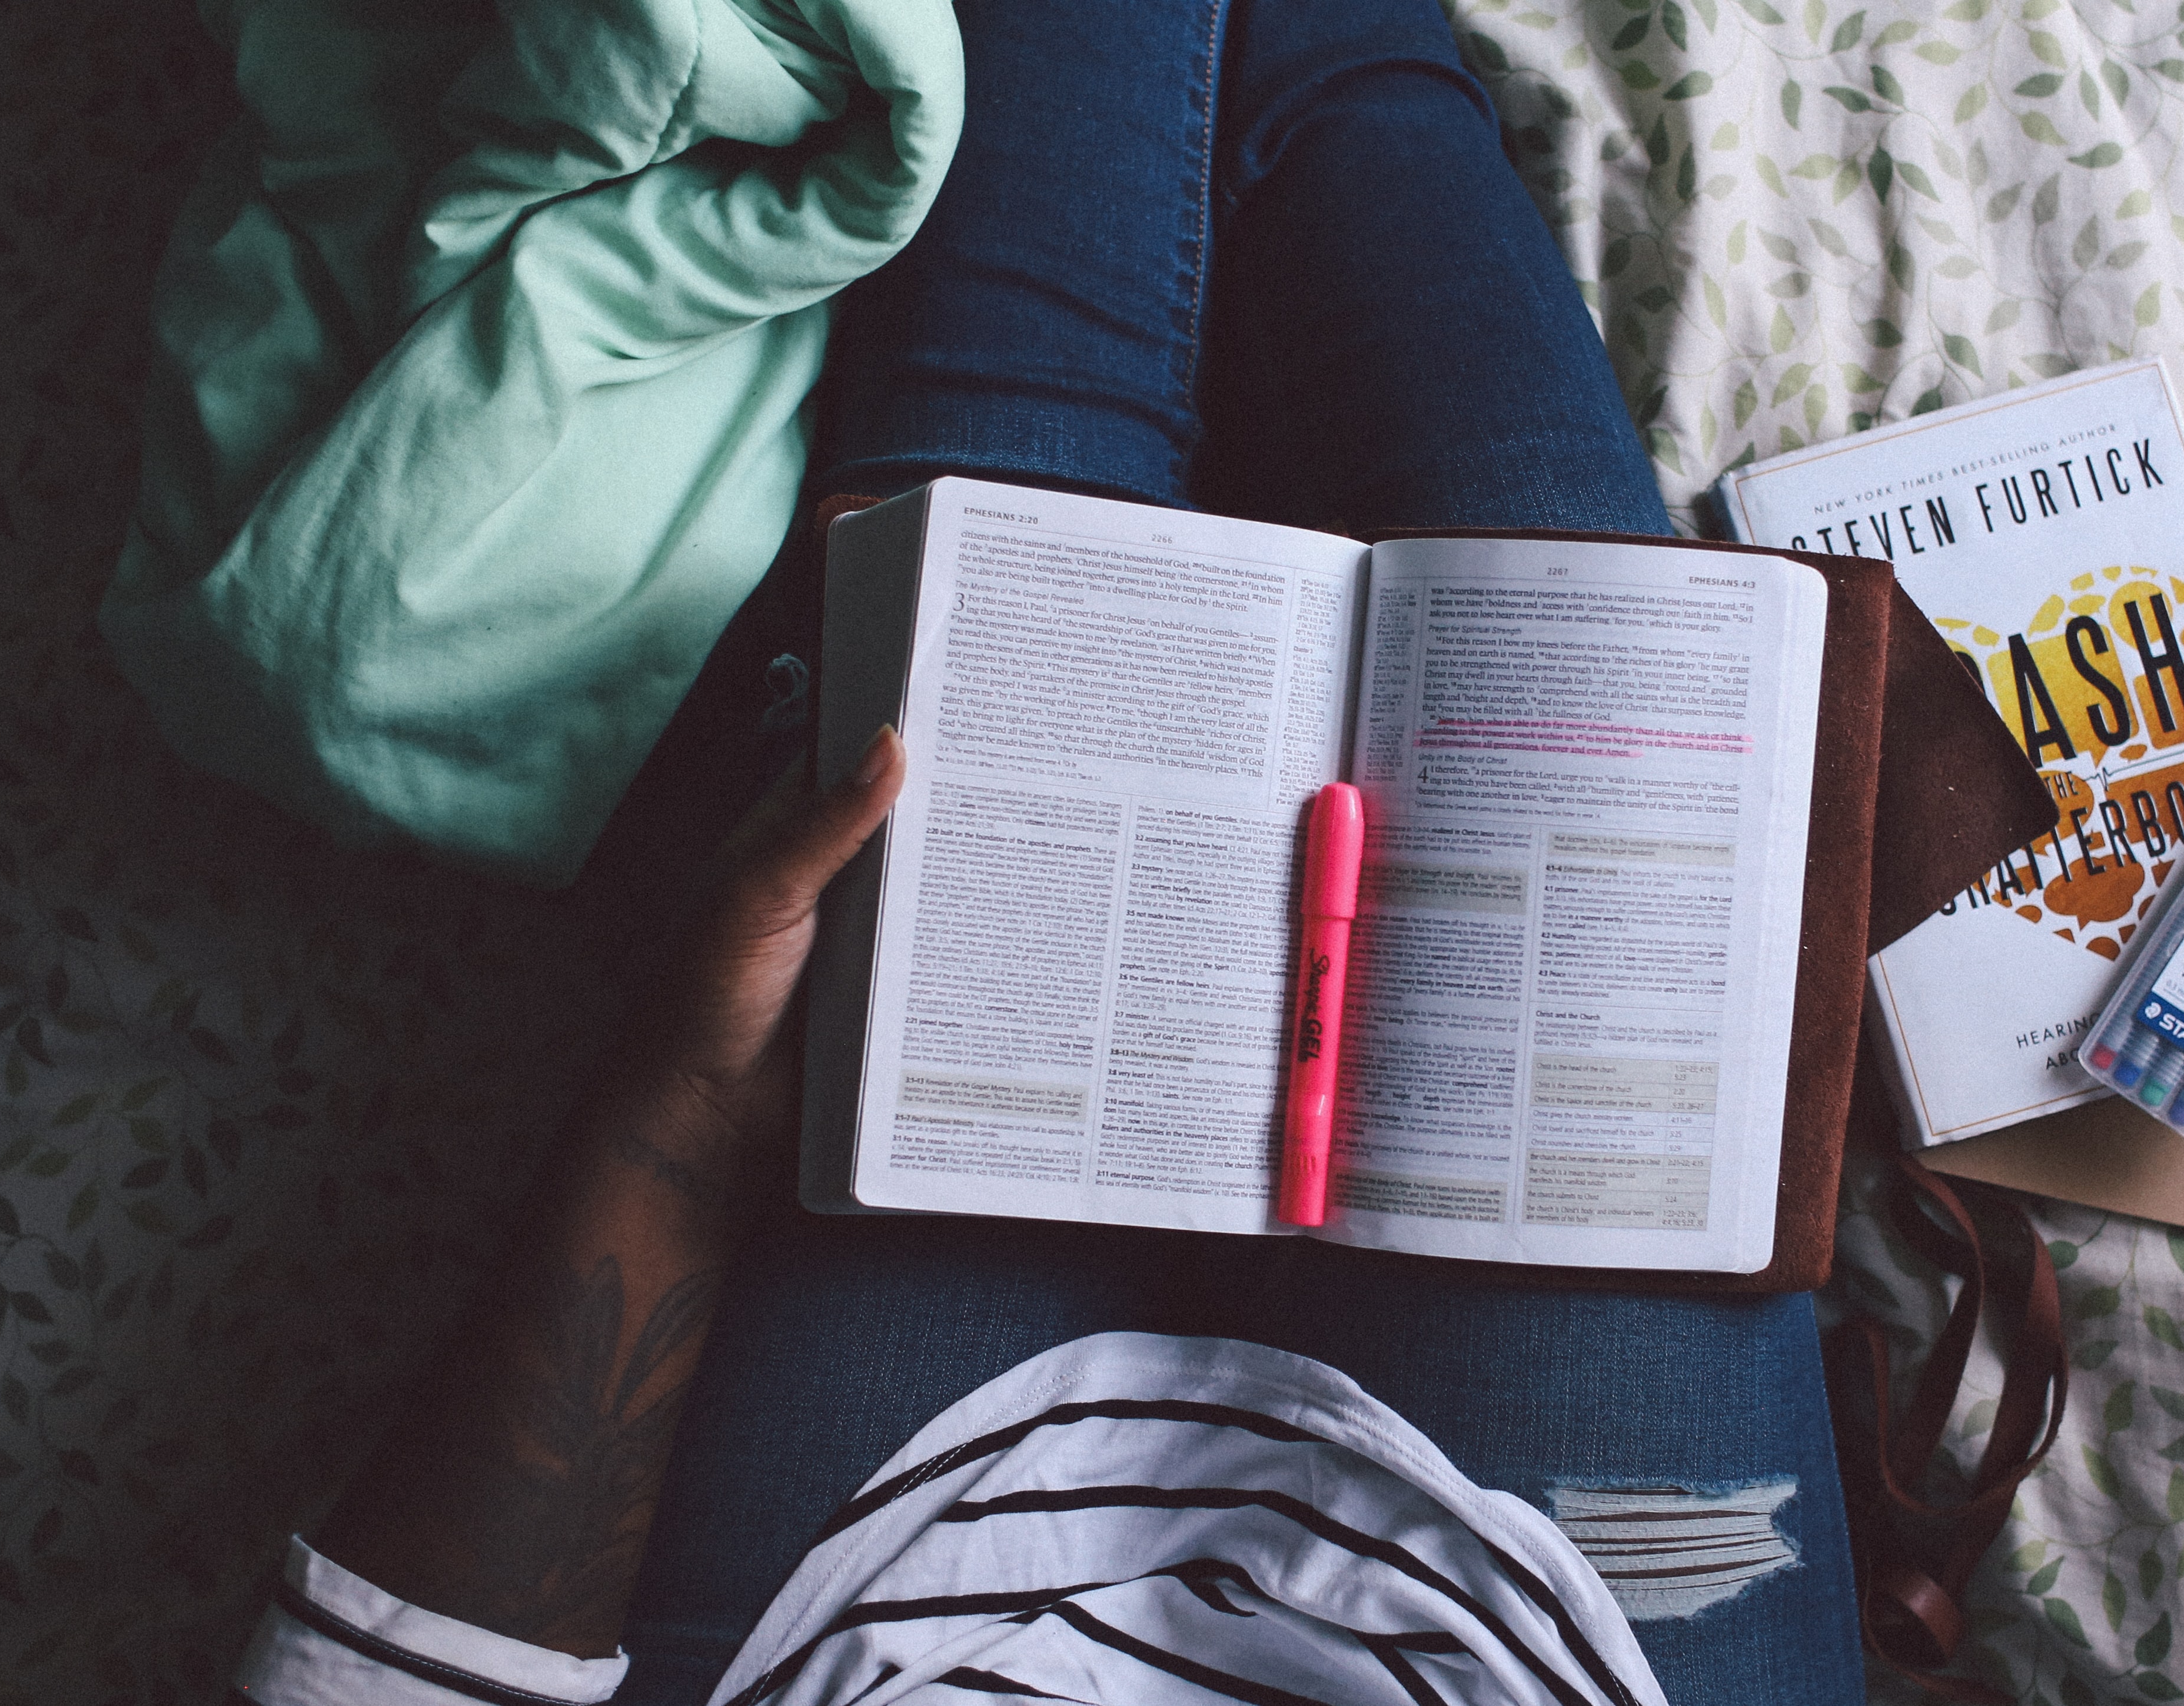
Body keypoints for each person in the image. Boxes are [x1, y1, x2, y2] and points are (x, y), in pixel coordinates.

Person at [232, 0, 1870, 1700]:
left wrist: (688, 1102)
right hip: (1550, 1649)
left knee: (1002, 492)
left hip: (867, 1626)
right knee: (1517, 532)